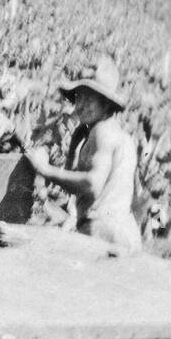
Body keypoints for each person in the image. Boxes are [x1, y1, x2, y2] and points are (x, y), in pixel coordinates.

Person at [25, 54, 141, 253]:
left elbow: (92, 185)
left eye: (90, 99)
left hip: (103, 232)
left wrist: (45, 169)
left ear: (105, 103)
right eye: (80, 97)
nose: (81, 105)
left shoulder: (102, 133)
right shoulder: (122, 136)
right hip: (125, 231)